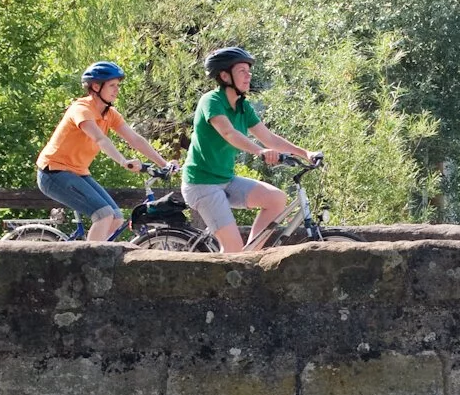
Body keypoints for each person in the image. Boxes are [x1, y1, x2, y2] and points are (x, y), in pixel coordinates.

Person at [181, 47, 319, 253]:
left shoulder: (243, 107)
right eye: (242, 71)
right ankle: (233, 267)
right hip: (202, 185)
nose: (249, 76)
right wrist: (259, 152)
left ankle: (250, 255)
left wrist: (305, 153)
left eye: (249, 71)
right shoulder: (211, 101)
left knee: (276, 199)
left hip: (225, 180)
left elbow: (269, 138)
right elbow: (228, 133)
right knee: (232, 249)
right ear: (225, 76)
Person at [35, 61, 171, 242]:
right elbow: (100, 139)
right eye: (112, 85)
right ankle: (88, 267)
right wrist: (123, 161)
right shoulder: (81, 109)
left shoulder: (109, 113)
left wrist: (165, 164)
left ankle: (92, 256)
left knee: (116, 217)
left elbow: (135, 139)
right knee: (103, 215)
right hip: (53, 173)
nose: (117, 90)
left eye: (118, 86)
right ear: (96, 87)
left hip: (78, 172)